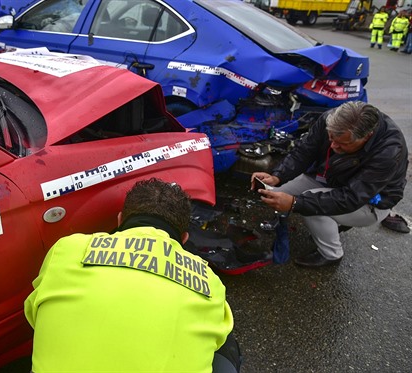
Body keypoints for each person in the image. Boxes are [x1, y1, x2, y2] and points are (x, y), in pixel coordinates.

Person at [24, 178, 241, 372]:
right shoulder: (208, 280)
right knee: (226, 343)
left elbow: (35, 317)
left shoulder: (67, 249)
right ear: (183, 239)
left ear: (120, 220)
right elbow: (217, 336)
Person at [251, 101, 408, 268]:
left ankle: (331, 254)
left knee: (309, 204)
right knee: (274, 192)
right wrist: (277, 176)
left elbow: (351, 198)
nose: (333, 145)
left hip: (370, 201)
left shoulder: (389, 151)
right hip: (334, 177)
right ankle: (336, 223)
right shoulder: (331, 118)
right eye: (331, 137)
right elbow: (304, 151)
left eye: (342, 143)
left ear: (366, 136)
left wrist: (296, 203)